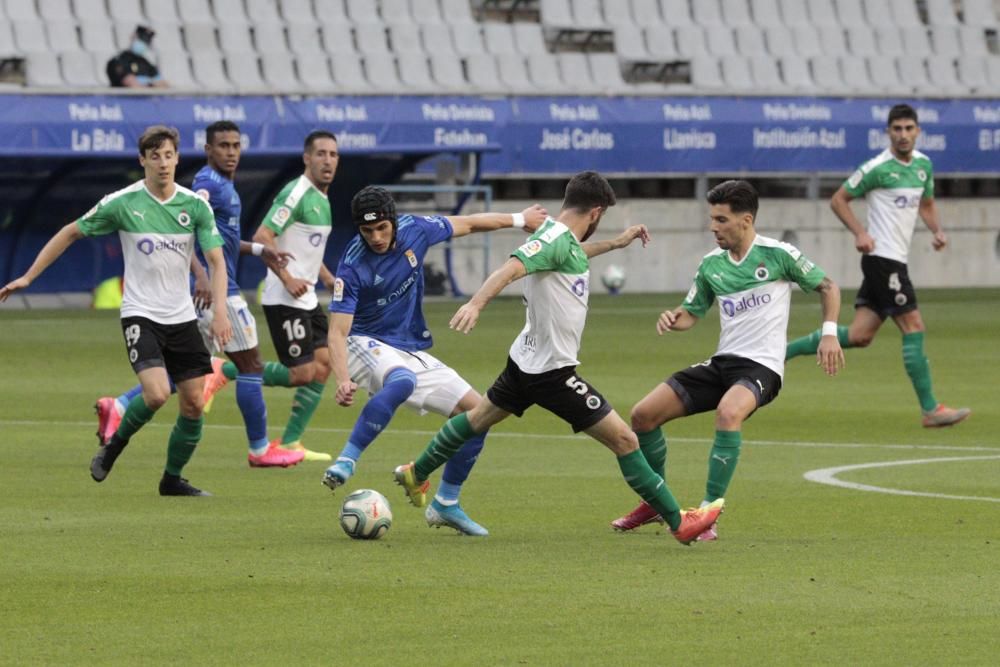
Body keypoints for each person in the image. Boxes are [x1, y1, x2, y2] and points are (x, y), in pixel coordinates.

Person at [393, 171, 724, 545]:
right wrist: (476, 303)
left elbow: (574, 253)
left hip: (525, 361)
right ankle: (680, 523)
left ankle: (415, 471)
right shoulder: (551, 239)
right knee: (625, 441)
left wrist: (616, 243)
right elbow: (511, 267)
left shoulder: (560, 238)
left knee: (477, 418)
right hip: (552, 372)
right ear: (596, 212)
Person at [0, 125, 230, 496]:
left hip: (182, 316)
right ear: (142, 161)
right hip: (141, 313)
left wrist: (220, 312)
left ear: (177, 158)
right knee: (156, 394)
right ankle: (113, 447)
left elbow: (217, 262)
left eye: (168, 155)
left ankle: (172, 479)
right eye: (154, 156)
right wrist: (28, 277)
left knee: (193, 403)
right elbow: (70, 232)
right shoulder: (121, 203)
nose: (163, 163)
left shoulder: (195, 206)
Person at [610, 180, 844, 538]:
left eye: (721, 219)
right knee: (643, 415)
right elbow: (692, 314)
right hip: (723, 363)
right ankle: (656, 504)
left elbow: (828, 286)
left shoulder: (778, 254)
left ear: (745, 220)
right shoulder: (711, 265)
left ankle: (708, 513)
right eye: (712, 219)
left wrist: (828, 332)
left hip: (762, 366)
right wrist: (674, 318)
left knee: (728, 412)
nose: (713, 227)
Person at [320, 186, 548, 536]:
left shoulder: (416, 229)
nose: (376, 237)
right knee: (402, 381)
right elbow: (337, 333)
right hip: (363, 343)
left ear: (393, 221)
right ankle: (348, 458)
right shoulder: (352, 266)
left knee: (479, 413)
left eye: (382, 228)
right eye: (367, 231)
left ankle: (445, 504)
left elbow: (470, 223)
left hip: (407, 348)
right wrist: (343, 379)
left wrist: (520, 220)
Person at [93, 120, 304, 468]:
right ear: (208, 150)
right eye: (223, 146)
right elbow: (180, 226)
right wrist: (202, 275)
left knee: (188, 374)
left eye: (236, 145)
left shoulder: (226, 187)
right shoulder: (208, 184)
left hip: (212, 289)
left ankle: (118, 406)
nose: (231, 152)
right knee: (250, 365)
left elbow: (224, 239)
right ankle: (260, 448)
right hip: (222, 291)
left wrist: (257, 251)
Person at [786, 104, 970, 428]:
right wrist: (860, 232)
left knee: (860, 335)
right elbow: (838, 199)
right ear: (888, 132)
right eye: (896, 129)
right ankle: (931, 409)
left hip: (894, 259)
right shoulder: (877, 168)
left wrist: (937, 230)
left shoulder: (924, 165)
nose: (903, 135)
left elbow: (925, 203)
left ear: (918, 131)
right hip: (882, 259)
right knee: (913, 326)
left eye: (908, 128)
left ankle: (779, 352)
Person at [250, 130, 341, 462]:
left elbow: (307, 253)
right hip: (284, 296)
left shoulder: (322, 197)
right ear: (307, 158)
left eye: (333, 154)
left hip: (307, 297)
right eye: (321, 154)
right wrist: (287, 278)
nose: (328, 160)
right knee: (301, 373)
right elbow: (263, 236)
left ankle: (290, 443)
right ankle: (225, 370)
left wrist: (329, 279)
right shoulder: (296, 193)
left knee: (324, 363)